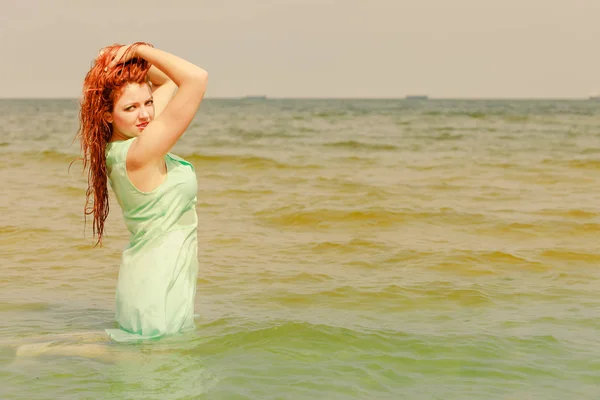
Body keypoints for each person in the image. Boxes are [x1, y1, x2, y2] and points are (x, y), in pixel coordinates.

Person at [76, 42, 208, 342]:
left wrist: (122, 62)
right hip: (156, 285)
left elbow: (169, 81)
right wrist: (139, 49)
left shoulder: (126, 142)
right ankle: (43, 352)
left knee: (147, 372)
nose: (145, 114)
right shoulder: (140, 151)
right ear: (108, 115)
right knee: (156, 375)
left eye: (148, 102)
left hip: (158, 278)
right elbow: (195, 78)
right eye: (131, 108)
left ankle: (35, 350)